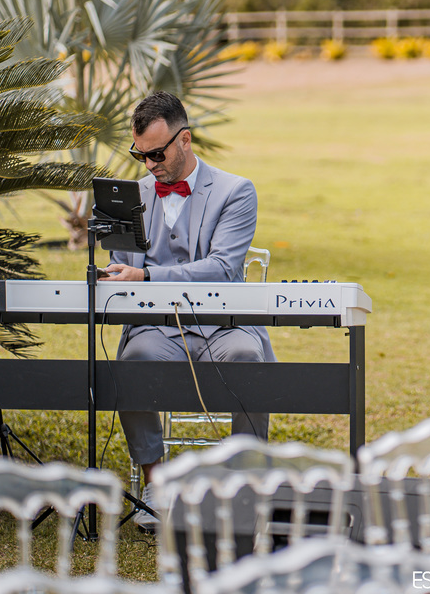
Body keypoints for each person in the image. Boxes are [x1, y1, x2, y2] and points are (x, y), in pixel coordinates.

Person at [104, 91, 274, 531]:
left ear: (185, 140)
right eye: (139, 155)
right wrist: (114, 271)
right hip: (156, 327)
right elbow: (125, 268)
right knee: (132, 362)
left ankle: (245, 488)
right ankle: (154, 486)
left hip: (223, 325)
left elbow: (221, 268)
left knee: (248, 360)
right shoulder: (132, 194)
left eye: (157, 154)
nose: (149, 165)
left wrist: (145, 278)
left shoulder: (236, 191)